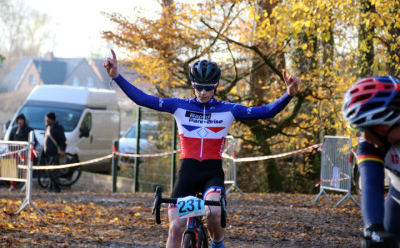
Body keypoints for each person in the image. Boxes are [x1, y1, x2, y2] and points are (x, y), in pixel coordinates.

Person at [104, 49, 300, 248]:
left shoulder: (229, 109)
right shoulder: (178, 105)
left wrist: (288, 95)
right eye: (199, 87)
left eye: (208, 87)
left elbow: (265, 112)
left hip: (211, 173)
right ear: (192, 85)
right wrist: (117, 76)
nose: (203, 92)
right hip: (187, 173)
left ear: (216, 85)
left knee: (214, 214)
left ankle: (217, 243)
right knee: (175, 228)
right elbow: (143, 99)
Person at [342, 75, 400, 247]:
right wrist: (373, 227)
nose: (361, 136)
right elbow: (371, 184)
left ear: (383, 128)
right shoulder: (370, 143)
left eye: (362, 129)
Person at [41, 112, 66, 193]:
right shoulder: (48, 128)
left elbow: (62, 140)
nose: (46, 120)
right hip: (47, 152)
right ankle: (51, 187)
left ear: (51, 119)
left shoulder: (58, 128)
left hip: (54, 153)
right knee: (49, 172)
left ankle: (56, 188)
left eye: (47, 119)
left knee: (54, 171)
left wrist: (62, 150)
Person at [8, 114, 33, 191]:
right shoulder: (14, 129)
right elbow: (10, 140)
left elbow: (32, 141)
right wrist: (12, 149)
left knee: (26, 168)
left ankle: (26, 184)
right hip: (15, 151)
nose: (20, 121)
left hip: (25, 151)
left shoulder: (29, 130)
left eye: (21, 120)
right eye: (19, 120)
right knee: (12, 168)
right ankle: (12, 184)